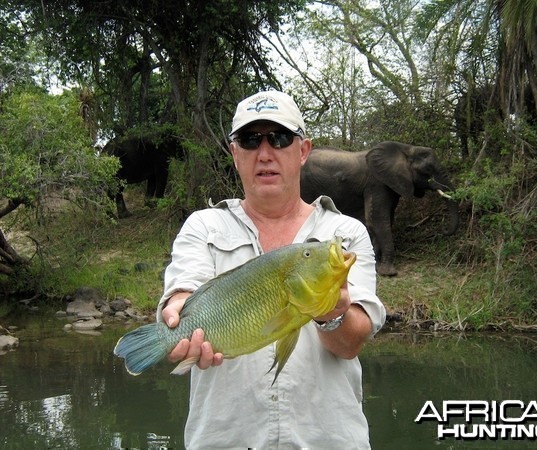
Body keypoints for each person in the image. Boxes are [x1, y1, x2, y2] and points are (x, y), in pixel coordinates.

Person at [157, 90, 387, 449]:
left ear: (303, 151)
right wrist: (176, 323)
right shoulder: (202, 227)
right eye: (250, 140)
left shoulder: (344, 236)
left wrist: (332, 314)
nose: (265, 154)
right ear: (235, 154)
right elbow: (184, 293)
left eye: (279, 138)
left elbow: (351, 343)